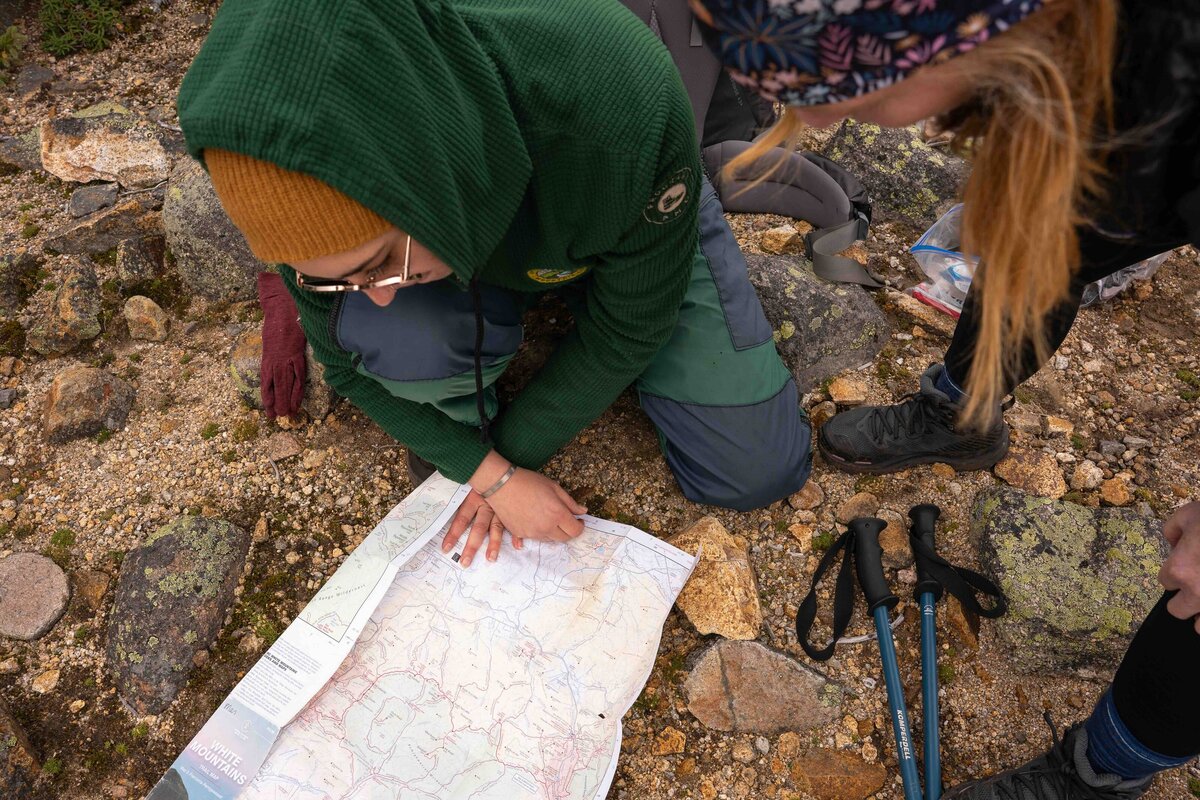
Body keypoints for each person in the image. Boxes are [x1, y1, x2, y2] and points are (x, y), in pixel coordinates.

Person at [689, 1, 1199, 798]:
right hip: (1104, 123)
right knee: (1039, 232)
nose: (815, 116)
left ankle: (1100, 778)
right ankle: (960, 415)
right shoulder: (1053, 57)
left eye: (821, 82)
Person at [177, 0, 812, 567]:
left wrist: (504, 466)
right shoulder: (290, 185)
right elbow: (345, 367)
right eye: (337, 281)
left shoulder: (620, 100)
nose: (377, 294)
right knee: (397, 338)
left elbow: (630, 327)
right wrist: (489, 473)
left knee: (753, 467)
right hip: (482, 226)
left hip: (612, 196)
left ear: (426, 181)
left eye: (377, 265)